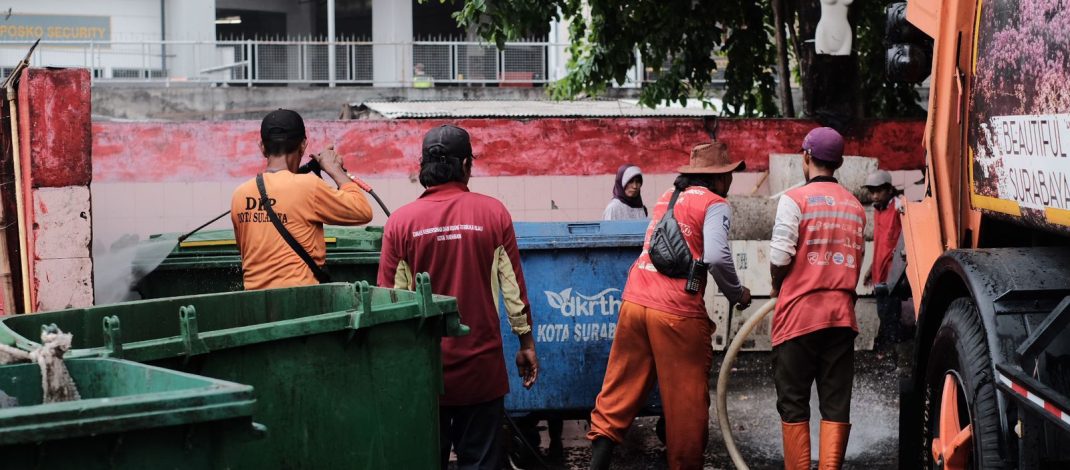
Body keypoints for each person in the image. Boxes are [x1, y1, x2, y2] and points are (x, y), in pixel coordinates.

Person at [376, 124, 539, 470]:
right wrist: (526, 343)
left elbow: (390, 303)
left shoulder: (401, 223)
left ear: (424, 166)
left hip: (424, 374)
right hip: (481, 370)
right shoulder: (493, 214)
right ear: (466, 165)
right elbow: (514, 293)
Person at [588, 142, 752, 470]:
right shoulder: (716, 202)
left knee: (617, 394)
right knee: (686, 406)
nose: (730, 181)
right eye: (729, 175)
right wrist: (737, 293)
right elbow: (718, 257)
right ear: (719, 177)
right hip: (676, 313)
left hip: (635, 301)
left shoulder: (668, 195)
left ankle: (596, 466)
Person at [769, 127, 865, 470]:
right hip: (840, 319)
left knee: (794, 402)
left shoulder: (794, 200)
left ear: (806, 157)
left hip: (799, 316)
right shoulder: (855, 207)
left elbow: (780, 257)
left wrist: (775, 284)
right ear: (838, 162)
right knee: (836, 403)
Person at [230, 109, 373, 290]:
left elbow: (243, 249)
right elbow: (362, 211)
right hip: (302, 304)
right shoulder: (309, 186)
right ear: (303, 145)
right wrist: (334, 169)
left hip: (256, 307)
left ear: (262, 147)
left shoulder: (239, 195)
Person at [863, 170, 905, 348]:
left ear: (889, 190)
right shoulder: (877, 211)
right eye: (871, 192)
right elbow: (881, 244)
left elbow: (903, 241)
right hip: (879, 272)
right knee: (883, 313)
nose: (874, 196)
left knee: (891, 315)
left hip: (892, 274)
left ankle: (893, 353)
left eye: (878, 191)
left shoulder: (898, 208)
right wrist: (871, 269)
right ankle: (890, 351)